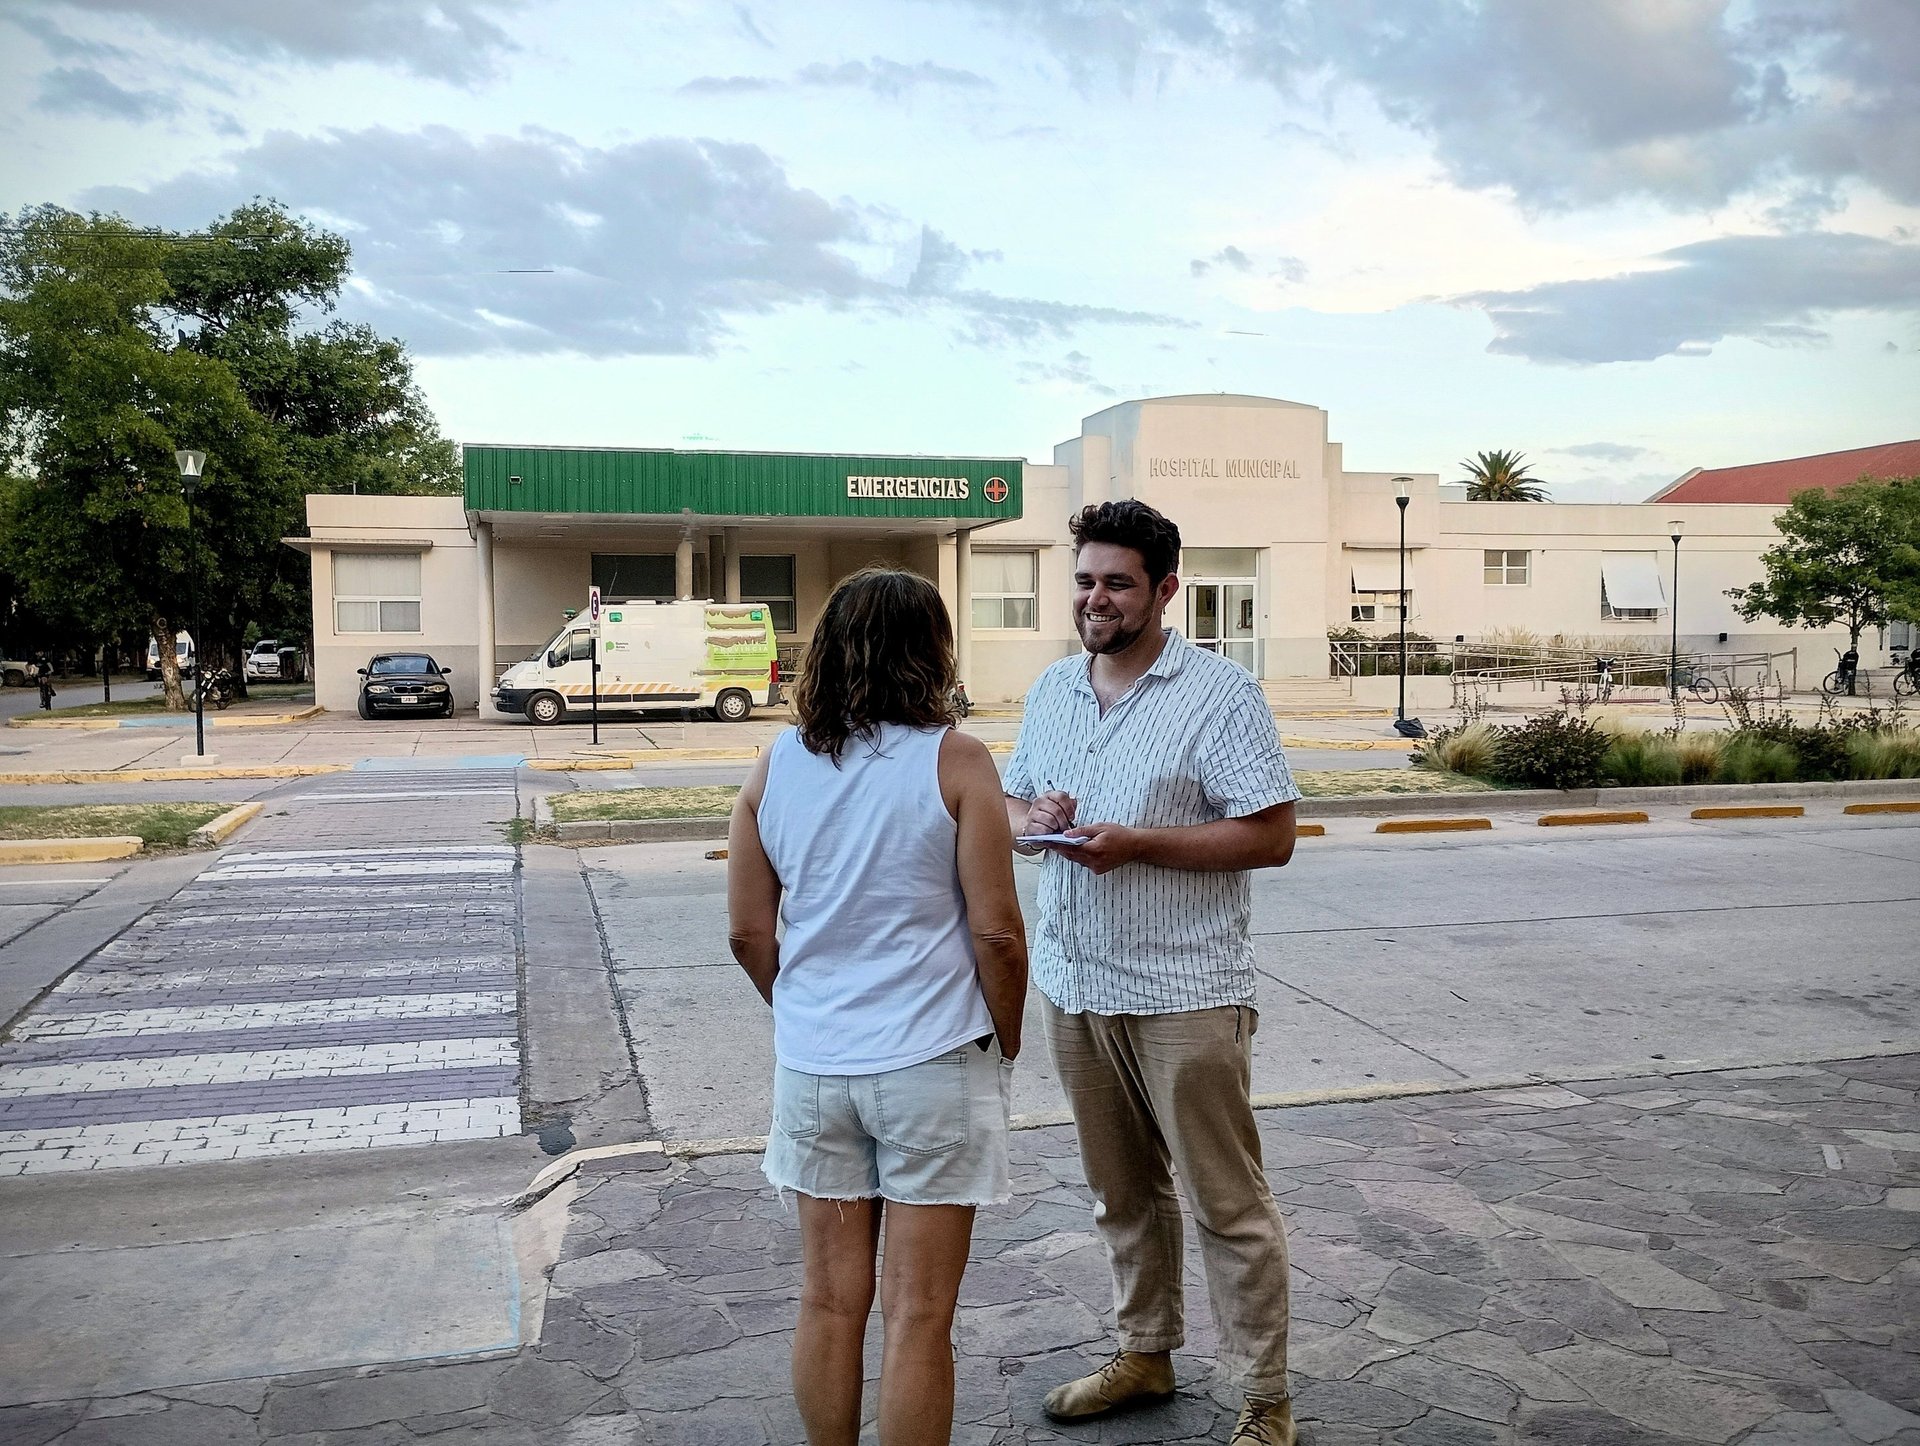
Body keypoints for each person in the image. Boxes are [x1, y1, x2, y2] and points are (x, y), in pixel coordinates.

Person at [1003, 500, 1303, 1446]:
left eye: (1117, 582)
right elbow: (1011, 804)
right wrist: (1029, 814)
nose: (1095, 598)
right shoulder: (1053, 689)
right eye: (1086, 579)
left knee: (1227, 1203)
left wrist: (1139, 844)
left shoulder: (1220, 694)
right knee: (1121, 1194)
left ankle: (1265, 1399)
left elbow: (1272, 834)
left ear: (1166, 589)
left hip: (1185, 990)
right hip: (1076, 982)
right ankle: (1145, 1353)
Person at [728, 567, 1030, 1446]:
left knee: (827, 1299)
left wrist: (810, 1013)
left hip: (816, 1068)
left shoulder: (776, 762)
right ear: (932, 651)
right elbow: (999, 934)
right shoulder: (957, 760)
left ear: (823, 650)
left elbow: (749, 934)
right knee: (919, 1314)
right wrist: (1005, 1036)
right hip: (932, 1063)